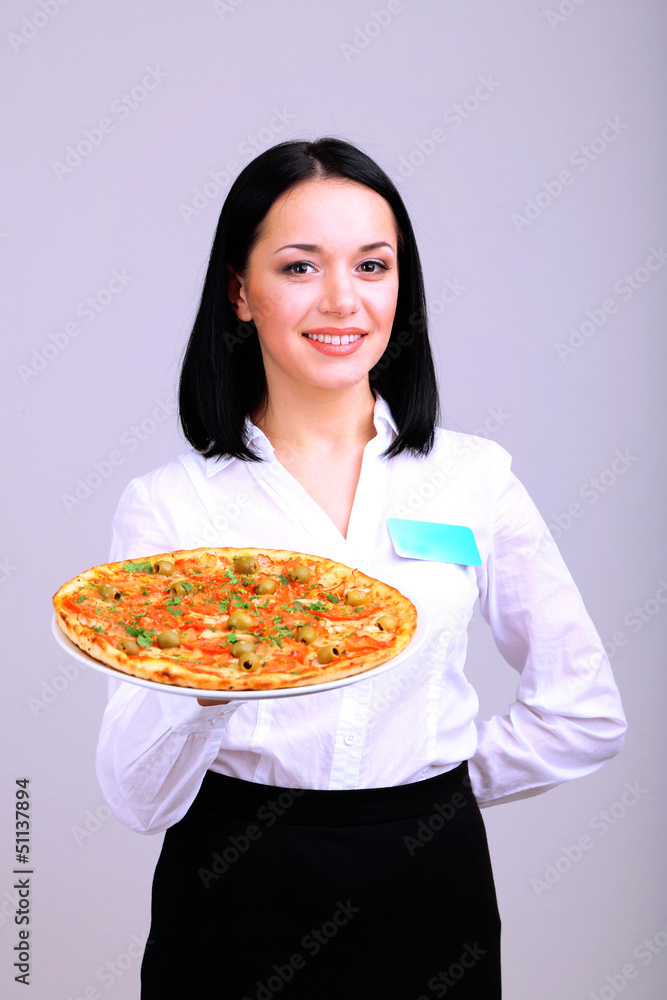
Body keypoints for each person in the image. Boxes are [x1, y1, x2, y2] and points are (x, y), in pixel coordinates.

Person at [96, 137, 626, 998]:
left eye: (372, 265)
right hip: (235, 884)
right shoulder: (170, 506)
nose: (342, 299)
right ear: (240, 292)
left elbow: (584, 712)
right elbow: (137, 797)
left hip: (428, 889)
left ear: (399, 289)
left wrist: (430, 789)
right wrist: (209, 682)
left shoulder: (473, 477)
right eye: (299, 267)